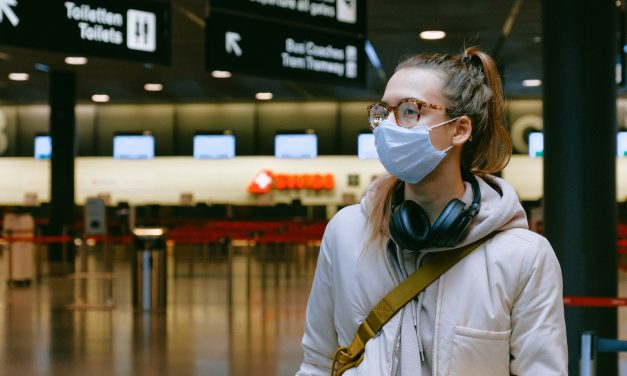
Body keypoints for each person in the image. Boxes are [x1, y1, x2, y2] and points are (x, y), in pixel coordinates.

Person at [296, 47, 567, 376]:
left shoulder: (523, 257)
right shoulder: (346, 232)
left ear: (459, 129)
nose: (388, 127)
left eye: (410, 110)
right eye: (384, 111)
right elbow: (317, 363)